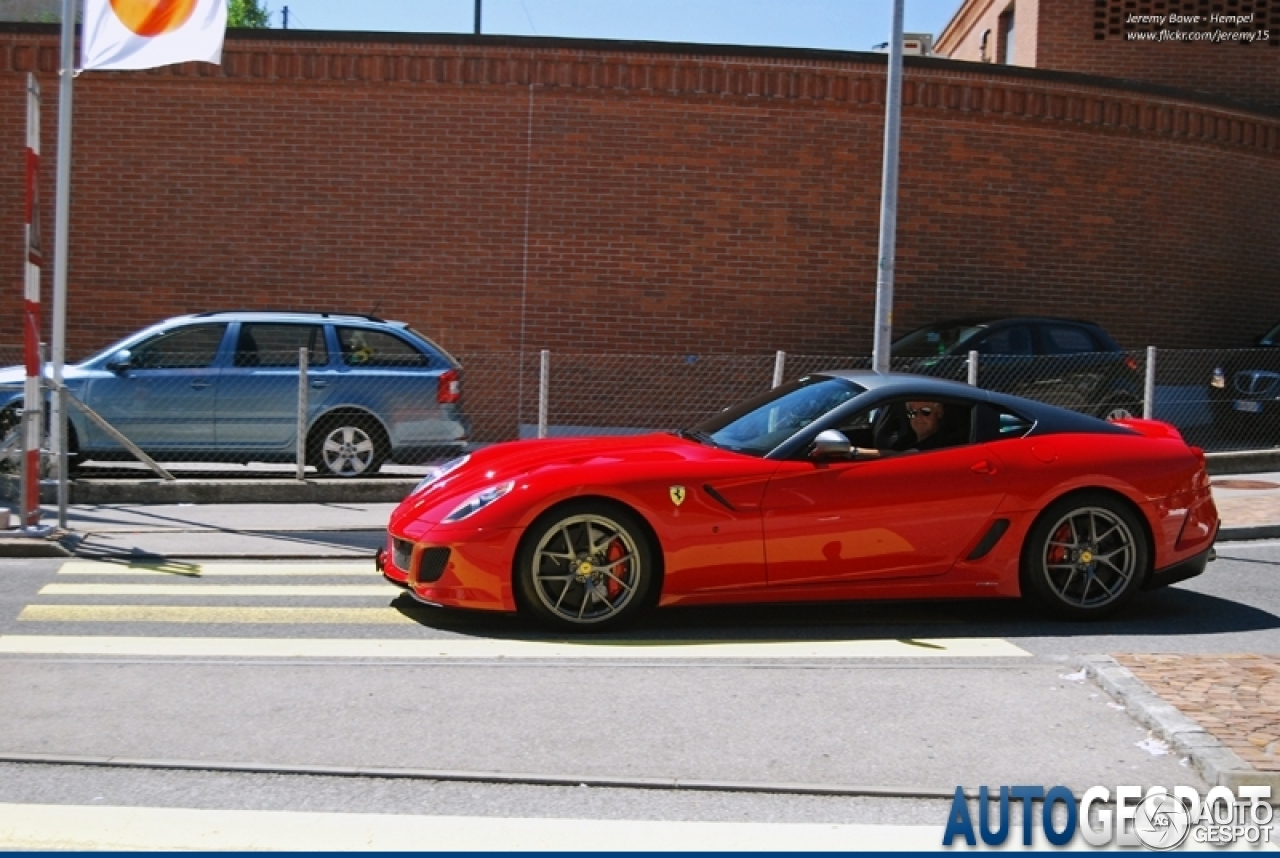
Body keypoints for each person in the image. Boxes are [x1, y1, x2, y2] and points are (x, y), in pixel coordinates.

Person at [848, 400, 956, 459]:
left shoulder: (940, 443)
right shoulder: (907, 439)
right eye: (912, 413)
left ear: (939, 413)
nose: (918, 418)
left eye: (925, 411)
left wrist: (855, 452)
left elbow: (901, 456)